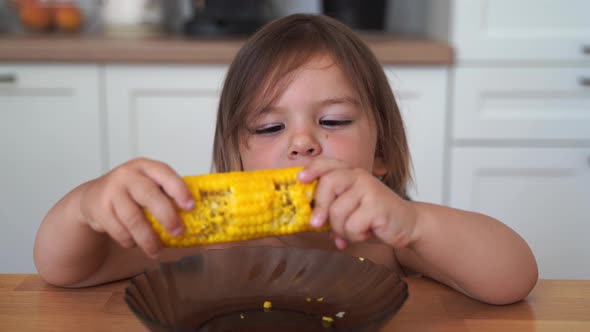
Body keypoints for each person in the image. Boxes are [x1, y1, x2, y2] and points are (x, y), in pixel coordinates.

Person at [34, 14, 537, 305]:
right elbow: (64, 270)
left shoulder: (388, 243)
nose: (302, 143)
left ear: (380, 154)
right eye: (270, 128)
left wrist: (415, 222)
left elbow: (514, 278)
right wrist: (87, 205)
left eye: (333, 121)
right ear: (235, 155)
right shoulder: (208, 240)